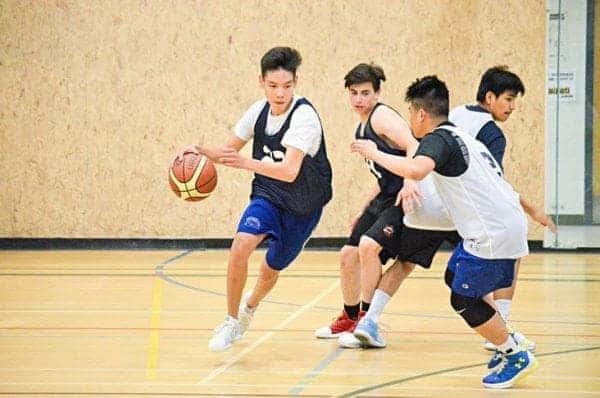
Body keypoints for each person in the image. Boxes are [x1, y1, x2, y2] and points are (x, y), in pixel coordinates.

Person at [351, 75, 537, 389]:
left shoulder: (437, 139)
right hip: (504, 225)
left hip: (493, 232)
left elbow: (415, 169)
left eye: (411, 113)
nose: (409, 120)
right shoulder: (463, 137)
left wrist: (374, 152)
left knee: (463, 297)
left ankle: (513, 351)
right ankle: (506, 337)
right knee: (456, 276)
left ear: (421, 114)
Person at [178, 46, 332, 352]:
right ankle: (231, 320)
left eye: (287, 86)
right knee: (240, 246)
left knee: (271, 268)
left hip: (303, 206)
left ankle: (249, 308)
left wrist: (245, 162)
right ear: (261, 81)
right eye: (273, 86)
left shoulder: (304, 117)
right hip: (268, 196)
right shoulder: (257, 111)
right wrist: (199, 151)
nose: (280, 93)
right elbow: (228, 151)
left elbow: (289, 171)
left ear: (296, 82)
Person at [315, 63, 459, 350]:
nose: (359, 99)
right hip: (384, 196)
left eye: (366, 93)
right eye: (354, 93)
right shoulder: (363, 122)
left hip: (402, 197)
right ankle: (350, 315)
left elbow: (413, 145)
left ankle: (368, 320)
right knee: (347, 254)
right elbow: (382, 175)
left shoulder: (381, 117)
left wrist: (410, 181)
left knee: (369, 247)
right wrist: (363, 206)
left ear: (378, 93)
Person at [449, 66, 556, 353]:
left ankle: (366, 318)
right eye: (508, 99)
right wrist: (533, 210)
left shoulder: (456, 113)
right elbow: (494, 185)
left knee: (420, 267)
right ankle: (501, 327)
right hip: (463, 209)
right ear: (490, 96)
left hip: (438, 200)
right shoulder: (492, 133)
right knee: (513, 249)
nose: (512, 107)